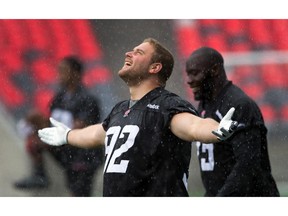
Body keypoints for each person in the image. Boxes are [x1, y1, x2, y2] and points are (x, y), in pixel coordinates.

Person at [38, 38, 237, 197]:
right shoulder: (120, 109)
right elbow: (96, 134)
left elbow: (193, 126)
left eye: (139, 52)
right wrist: (68, 135)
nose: (128, 53)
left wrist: (215, 130)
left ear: (154, 68)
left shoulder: (166, 105)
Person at [185, 46, 280, 197]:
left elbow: (247, 166)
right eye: (188, 74)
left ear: (215, 70)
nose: (189, 81)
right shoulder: (205, 104)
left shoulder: (238, 105)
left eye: (195, 73)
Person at [14, 56, 104, 197]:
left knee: (78, 195)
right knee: (34, 139)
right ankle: (39, 174)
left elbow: (78, 130)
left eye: (63, 70)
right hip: (66, 150)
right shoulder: (60, 97)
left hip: (83, 155)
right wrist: (38, 123)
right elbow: (50, 121)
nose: (59, 74)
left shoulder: (87, 99)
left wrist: (48, 129)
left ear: (75, 73)